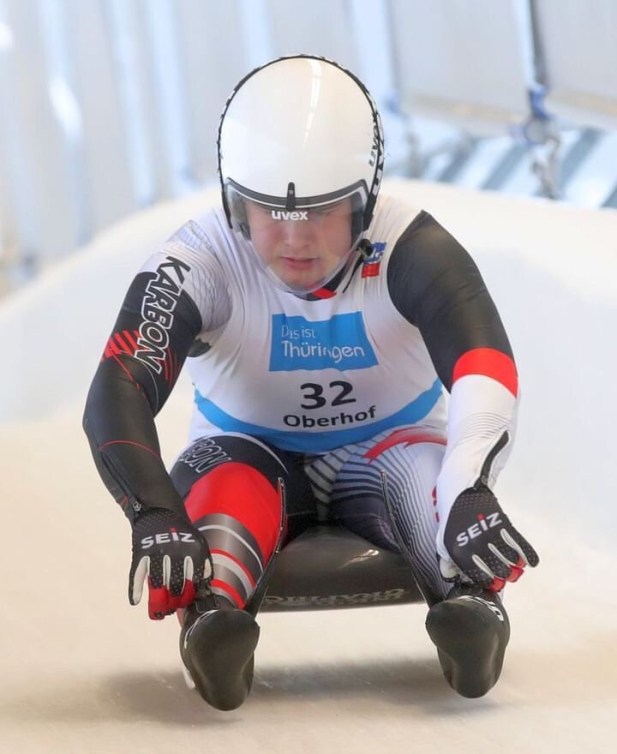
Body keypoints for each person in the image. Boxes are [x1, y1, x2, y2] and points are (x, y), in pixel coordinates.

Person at [83, 54, 539, 711]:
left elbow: (483, 363)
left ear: (366, 200)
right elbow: (118, 387)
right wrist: (153, 511)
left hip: (392, 447)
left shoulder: (413, 245)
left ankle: (468, 609)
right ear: (230, 200)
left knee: (432, 476)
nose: (294, 237)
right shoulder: (196, 259)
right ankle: (217, 622)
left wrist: (468, 487)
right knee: (224, 484)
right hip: (248, 454)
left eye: (322, 212)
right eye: (265, 211)